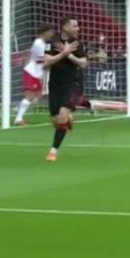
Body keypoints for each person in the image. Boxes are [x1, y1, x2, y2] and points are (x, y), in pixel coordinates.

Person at [44, 17, 86, 162]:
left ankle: (53, 151)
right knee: (56, 120)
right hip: (55, 85)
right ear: (65, 27)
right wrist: (62, 53)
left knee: (62, 115)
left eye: (77, 26)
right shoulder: (52, 42)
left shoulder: (78, 44)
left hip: (73, 84)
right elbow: (47, 62)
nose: (77, 28)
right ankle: (68, 118)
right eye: (75, 26)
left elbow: (83, 63)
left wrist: (69, 54)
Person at [15, 25, 54, 125]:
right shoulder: (39, 43)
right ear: (44, 32)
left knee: (38, 96)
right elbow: (42, 61)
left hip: (38, 73)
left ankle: (20, 110)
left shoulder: (45, 44)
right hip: (32, 72)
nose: (51, 34)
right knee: (30, 95)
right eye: (50, 32)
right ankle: (18, 118)